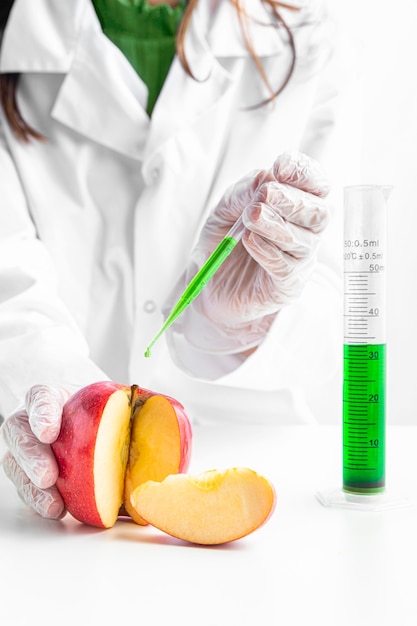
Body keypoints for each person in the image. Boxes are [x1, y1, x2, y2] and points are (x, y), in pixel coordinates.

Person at [0, 0, 341, 520]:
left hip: (274, 469)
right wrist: (64, 405)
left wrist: (233, 329)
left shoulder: (303, 31)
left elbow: (345, 293)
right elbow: (9, 284)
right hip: (68, 513)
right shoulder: (16, 37)